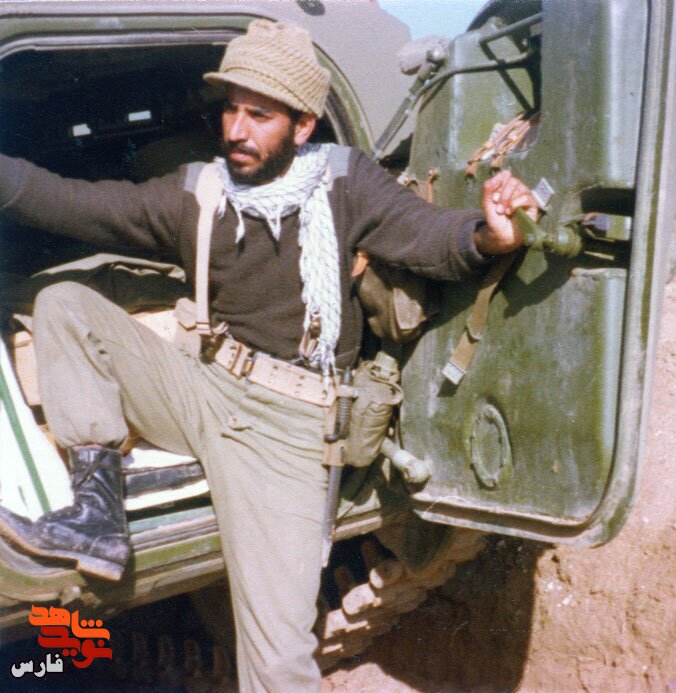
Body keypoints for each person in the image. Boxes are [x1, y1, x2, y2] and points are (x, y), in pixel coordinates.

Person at [0, 19, 537, 691]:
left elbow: (430, 237)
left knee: (277, 663)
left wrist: (490, 235)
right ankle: (97, 514)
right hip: (205, 385)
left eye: (260, 115)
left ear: (304, 126)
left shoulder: (345, 184)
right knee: (66, 305)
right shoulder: (200, 191)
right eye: (231, 109)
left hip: (288, 430)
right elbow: (75, 204)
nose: (237, 129)